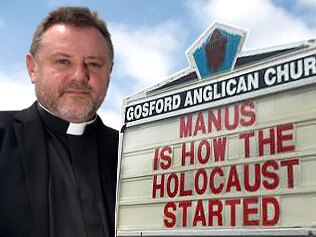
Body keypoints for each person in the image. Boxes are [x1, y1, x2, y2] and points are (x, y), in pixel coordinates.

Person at [0, 6, 118, 237]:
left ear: (110, 71)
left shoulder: (133, 154)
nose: (79, 76)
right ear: (32, 68)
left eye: (93, 64)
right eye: (63, 61)